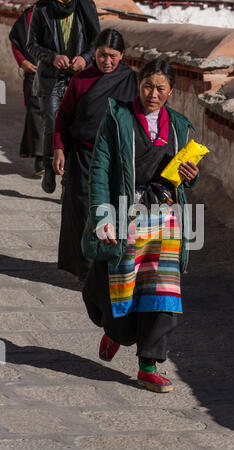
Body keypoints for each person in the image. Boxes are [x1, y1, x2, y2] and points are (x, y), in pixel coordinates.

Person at [82, 59, 200, 393]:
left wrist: (191, 176)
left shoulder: (177, 125)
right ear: (139, 85)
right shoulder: (117, 120)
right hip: (125, 213)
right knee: (116, 285)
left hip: (165, 217)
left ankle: (149, 364)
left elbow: (184, 178)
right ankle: (115, 332)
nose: (153, 94)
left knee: (162, 291)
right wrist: (102, 216)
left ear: (171, 91)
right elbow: (100, 170)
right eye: (148, 86)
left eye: (161, 88)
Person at [52, 29, 138, 280]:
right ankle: (85, 269)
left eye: (113, 56)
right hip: (83, 156)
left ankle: (110, 266)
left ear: (122, 55)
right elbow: (63, 117)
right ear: (94, 52)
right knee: (82, 210)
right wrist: (58, 148)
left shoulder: (131, 81)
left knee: (112, 211)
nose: (107, 62)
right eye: (102, 55)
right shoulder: (80, 80)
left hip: (116, 159)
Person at [27, 0, 100, 194]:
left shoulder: (85, 6)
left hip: (78, 79)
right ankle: (50, 165)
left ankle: (68, 178)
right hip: (51, 79)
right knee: (52, 125)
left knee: (74, 129)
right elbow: (31, 44)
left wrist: (85, 58)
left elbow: (97, 42)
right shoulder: (42, 8)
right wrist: (52, 58)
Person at [9, 3, 44, 176]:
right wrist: (22, 62)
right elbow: (16, 41)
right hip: (34, 72)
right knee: (36, 112)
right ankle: (41, 156)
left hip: (61, 72)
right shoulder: (30, 14)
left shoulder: (70, 15)